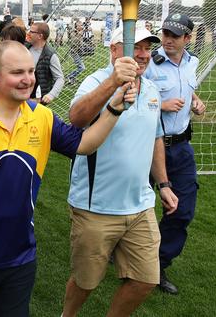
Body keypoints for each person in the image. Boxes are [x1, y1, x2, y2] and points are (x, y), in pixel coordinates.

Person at [0, 40, 135, 317]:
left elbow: (84, 144)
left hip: (19, 256)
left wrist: (114, 109)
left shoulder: (41, 117)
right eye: (17, 73)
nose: (28, 80)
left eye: (31, 71)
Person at [62, 26, 178, 316]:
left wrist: (163, 183)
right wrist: (113, 84)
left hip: (140, 206)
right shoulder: (95, 81)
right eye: (134, 47)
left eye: (147, 48)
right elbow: (76, 119)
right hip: (95, 205)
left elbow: (154, 139)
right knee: (86, 281)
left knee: (145, 280)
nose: (142, 54)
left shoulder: (151, 89)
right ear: (114, 50)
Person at [144, 13, 206, 295]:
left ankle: (158, 265)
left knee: (181, 211)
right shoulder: (148, 62)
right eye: (166, 33)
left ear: (188, 39)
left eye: (175, 35)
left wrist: (194, 100)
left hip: (180, 148)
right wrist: (160, 104)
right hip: (145, 146)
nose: (168, 39)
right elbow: (130, 97)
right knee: (132, 207)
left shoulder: (192, 62)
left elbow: (186, 86)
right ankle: (122, 251)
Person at [28, 22, 65, 104]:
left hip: (37, 101)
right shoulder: (26, 47)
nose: (28, 33)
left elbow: (60, 78)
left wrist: (51, 95)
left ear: (40, 36)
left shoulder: (50, 55)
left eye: (31, 32)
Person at [66, 20, 86, 84]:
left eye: (82, 25)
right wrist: (79, 35)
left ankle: (72, 78)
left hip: (80, 52)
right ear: (76, 26)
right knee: (82, 68)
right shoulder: (73, 33)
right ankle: (69, 76)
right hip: (74, 52)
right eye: (80, 25)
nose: (81, 26)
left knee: (79, 67)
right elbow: (73, 42)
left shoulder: (81, 32)